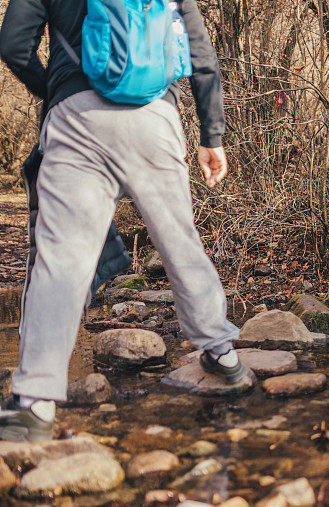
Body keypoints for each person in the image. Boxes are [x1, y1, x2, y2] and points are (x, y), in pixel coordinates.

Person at [0, 0, 246, 441]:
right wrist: (213, 136)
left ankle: (35, 402)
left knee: (63, 258)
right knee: (180, 242)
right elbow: (202, 56)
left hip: (76, 120)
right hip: (156, 117)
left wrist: (57, 90)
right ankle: (221, 353)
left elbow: (15, 45)